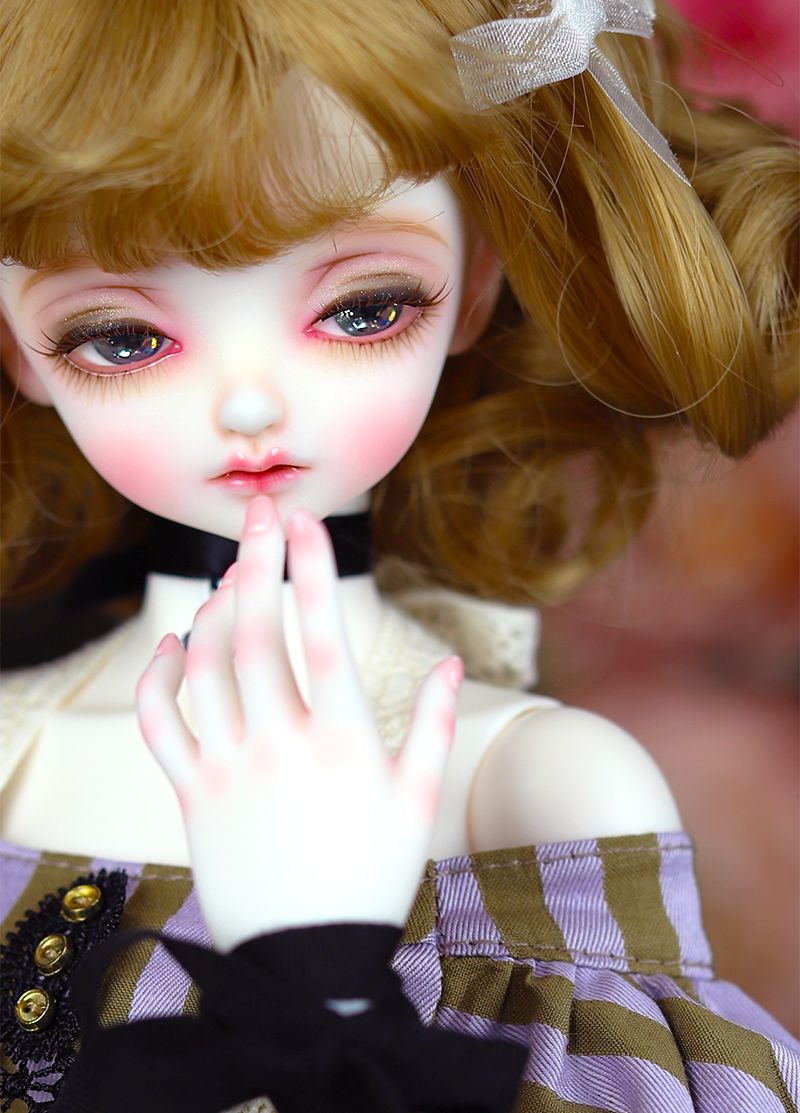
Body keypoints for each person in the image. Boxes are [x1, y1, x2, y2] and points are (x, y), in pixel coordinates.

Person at [1, 1, 797, 1110]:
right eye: (122, 336)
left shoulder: (536, 786)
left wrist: (323, 975)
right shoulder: (16, 756)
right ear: (19, 348)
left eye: (364, 308)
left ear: (476, 286)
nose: (247, 402)